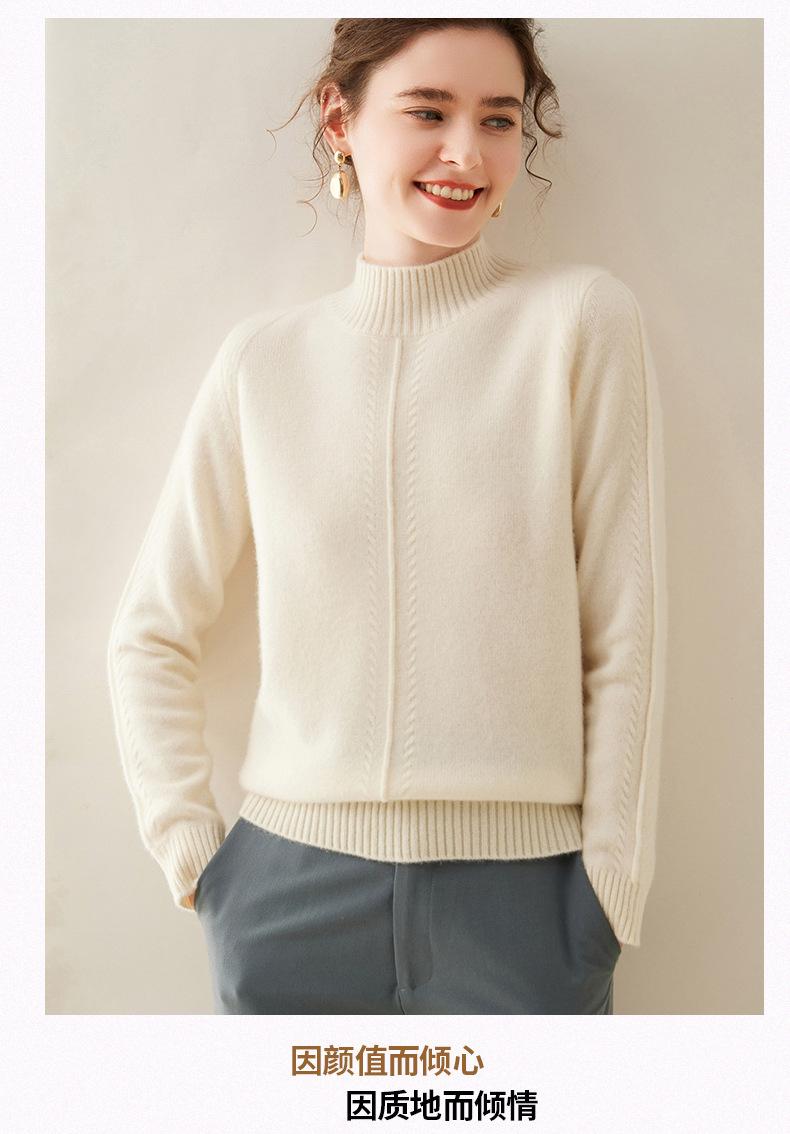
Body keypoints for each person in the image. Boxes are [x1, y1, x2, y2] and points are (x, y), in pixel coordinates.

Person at [107, 18, 668, 1014]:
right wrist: (196, 859)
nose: (466, 154)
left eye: (497, 119)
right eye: (427, 111)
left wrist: (609, 887)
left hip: (529, 905)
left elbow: (625, 629)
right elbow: (149, 631)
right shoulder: (262, 362)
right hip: (283, 894)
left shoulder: (580, 321)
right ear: (340, 119)